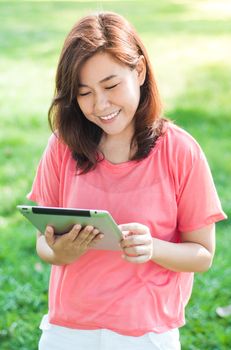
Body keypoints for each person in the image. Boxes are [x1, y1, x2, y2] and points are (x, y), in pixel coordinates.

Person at [27, 11, 227, 350]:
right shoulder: (62, 146)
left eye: (111, 85)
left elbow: (202, 254)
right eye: (84, 92)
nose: (100, 104)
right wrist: (60, 251)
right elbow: (43, 242)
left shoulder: (179, 151)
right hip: (69, 329)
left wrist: (153, 249)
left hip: (147, 333)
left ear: (139, 71)